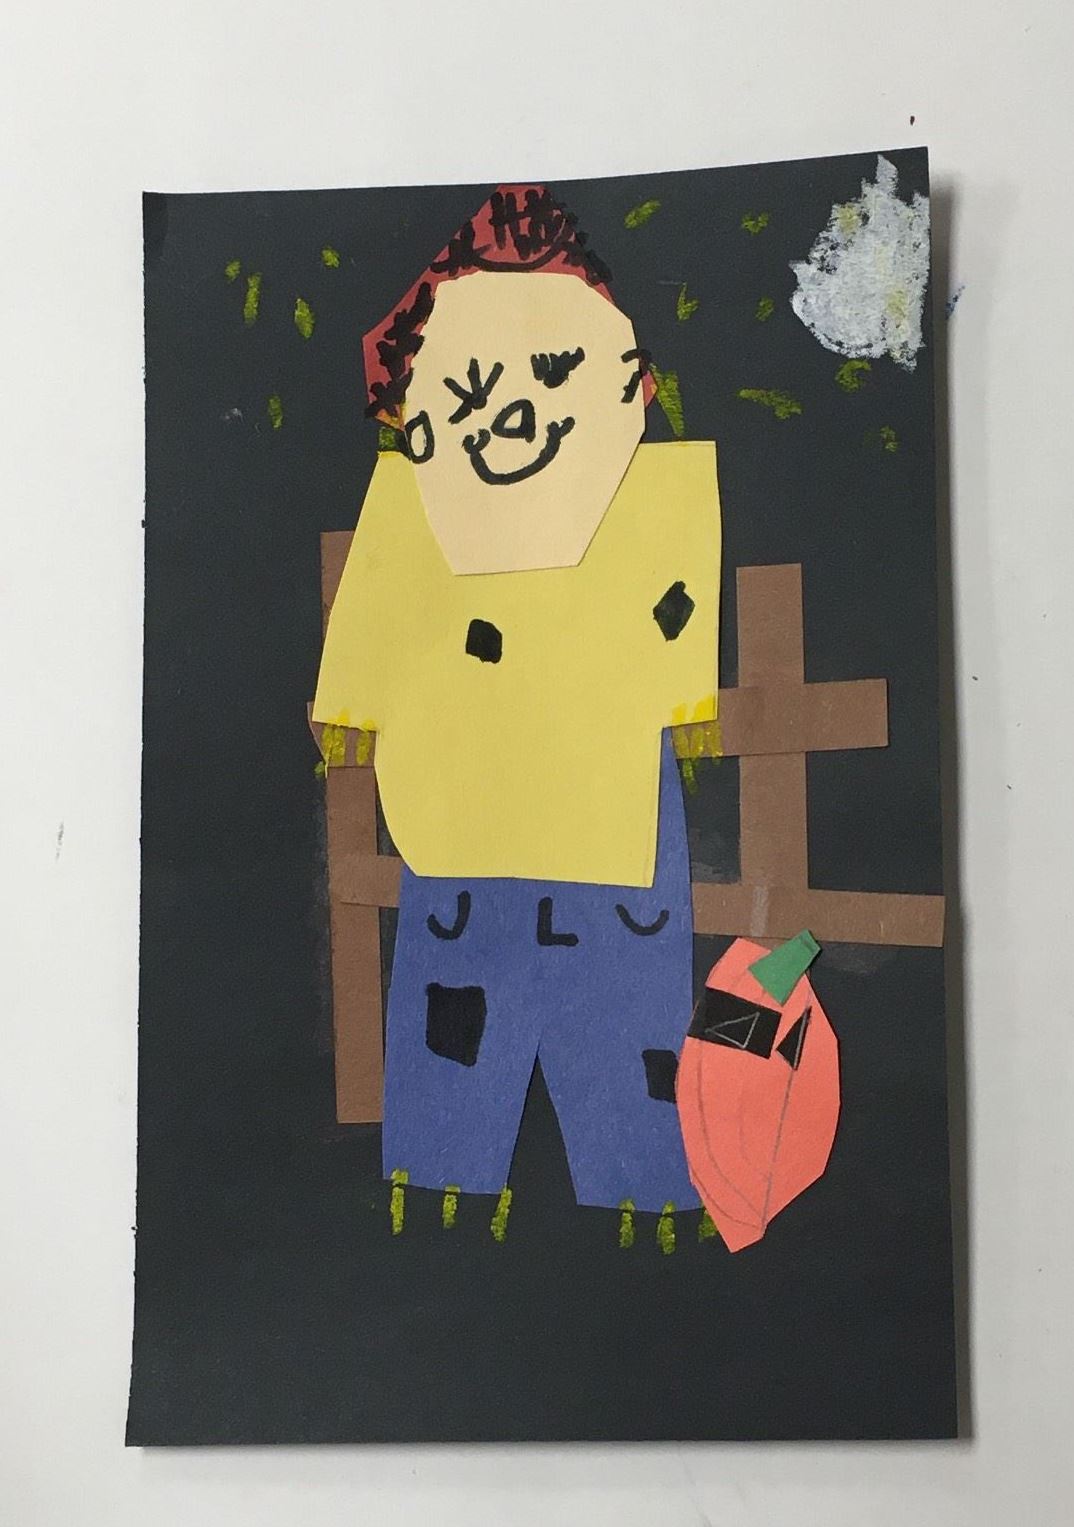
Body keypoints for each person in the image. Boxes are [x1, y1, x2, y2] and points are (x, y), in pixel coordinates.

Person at [314, 186, 721, 1215]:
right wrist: (354, 703)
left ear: (628, 385)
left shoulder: (649, 505)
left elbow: (675, 619)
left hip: (609, 821)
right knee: (457, 1021)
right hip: (465, 822)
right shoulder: (413, 514)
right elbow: (374, 622)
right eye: (470, 395)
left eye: (550, 375)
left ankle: (641, 1188)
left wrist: (681, 691)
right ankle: (441, 1183)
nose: (513, 419)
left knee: (626, 1028)